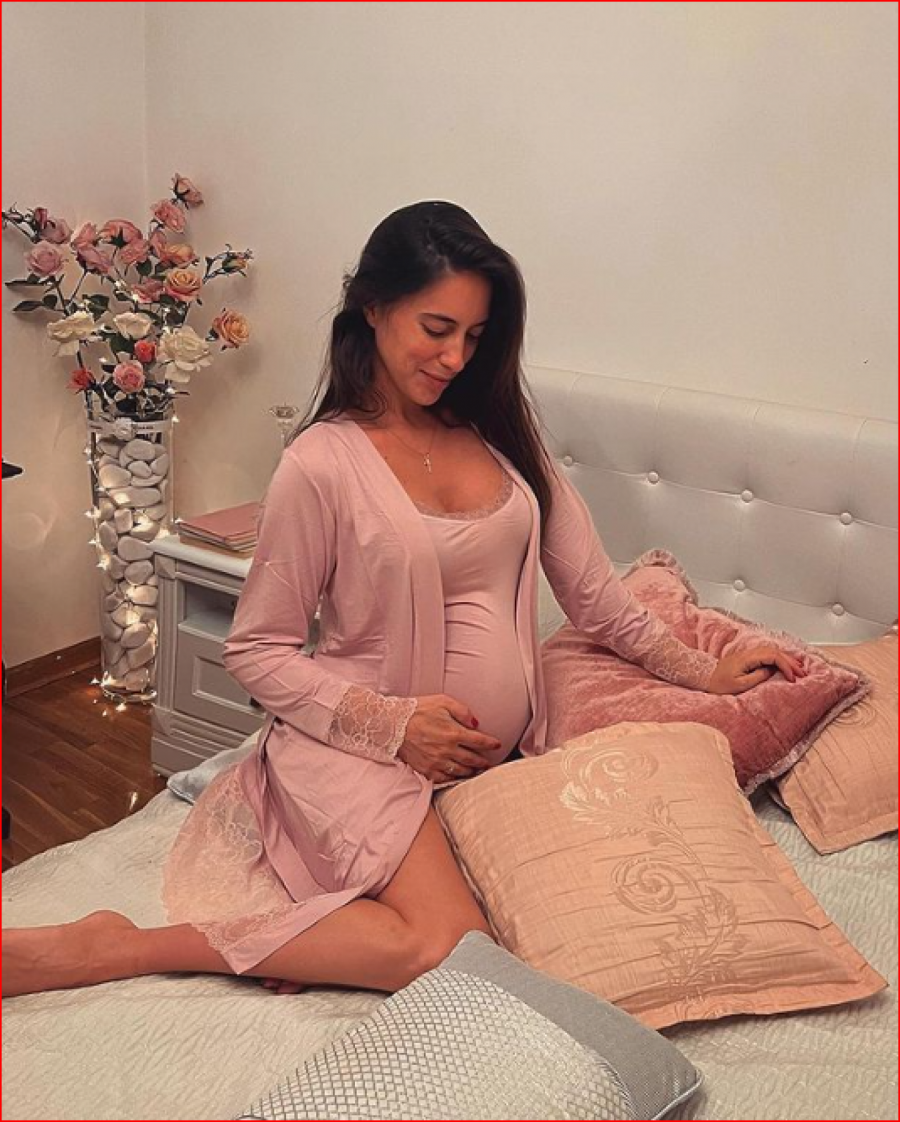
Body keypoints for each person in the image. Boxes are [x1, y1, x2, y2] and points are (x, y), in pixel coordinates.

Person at [2, 201, 805, 999]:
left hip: (473, 769)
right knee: (448, 949)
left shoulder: (506, 439)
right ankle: (126, 945)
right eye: (437, 328)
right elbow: (256, 651)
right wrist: (394, 727)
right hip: (358, 753)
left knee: (490, 934)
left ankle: (286, 939)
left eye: (476, 336)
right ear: (374, 307)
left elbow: (596, 599)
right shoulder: (321, 464)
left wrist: (703, 671)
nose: (455, 357)